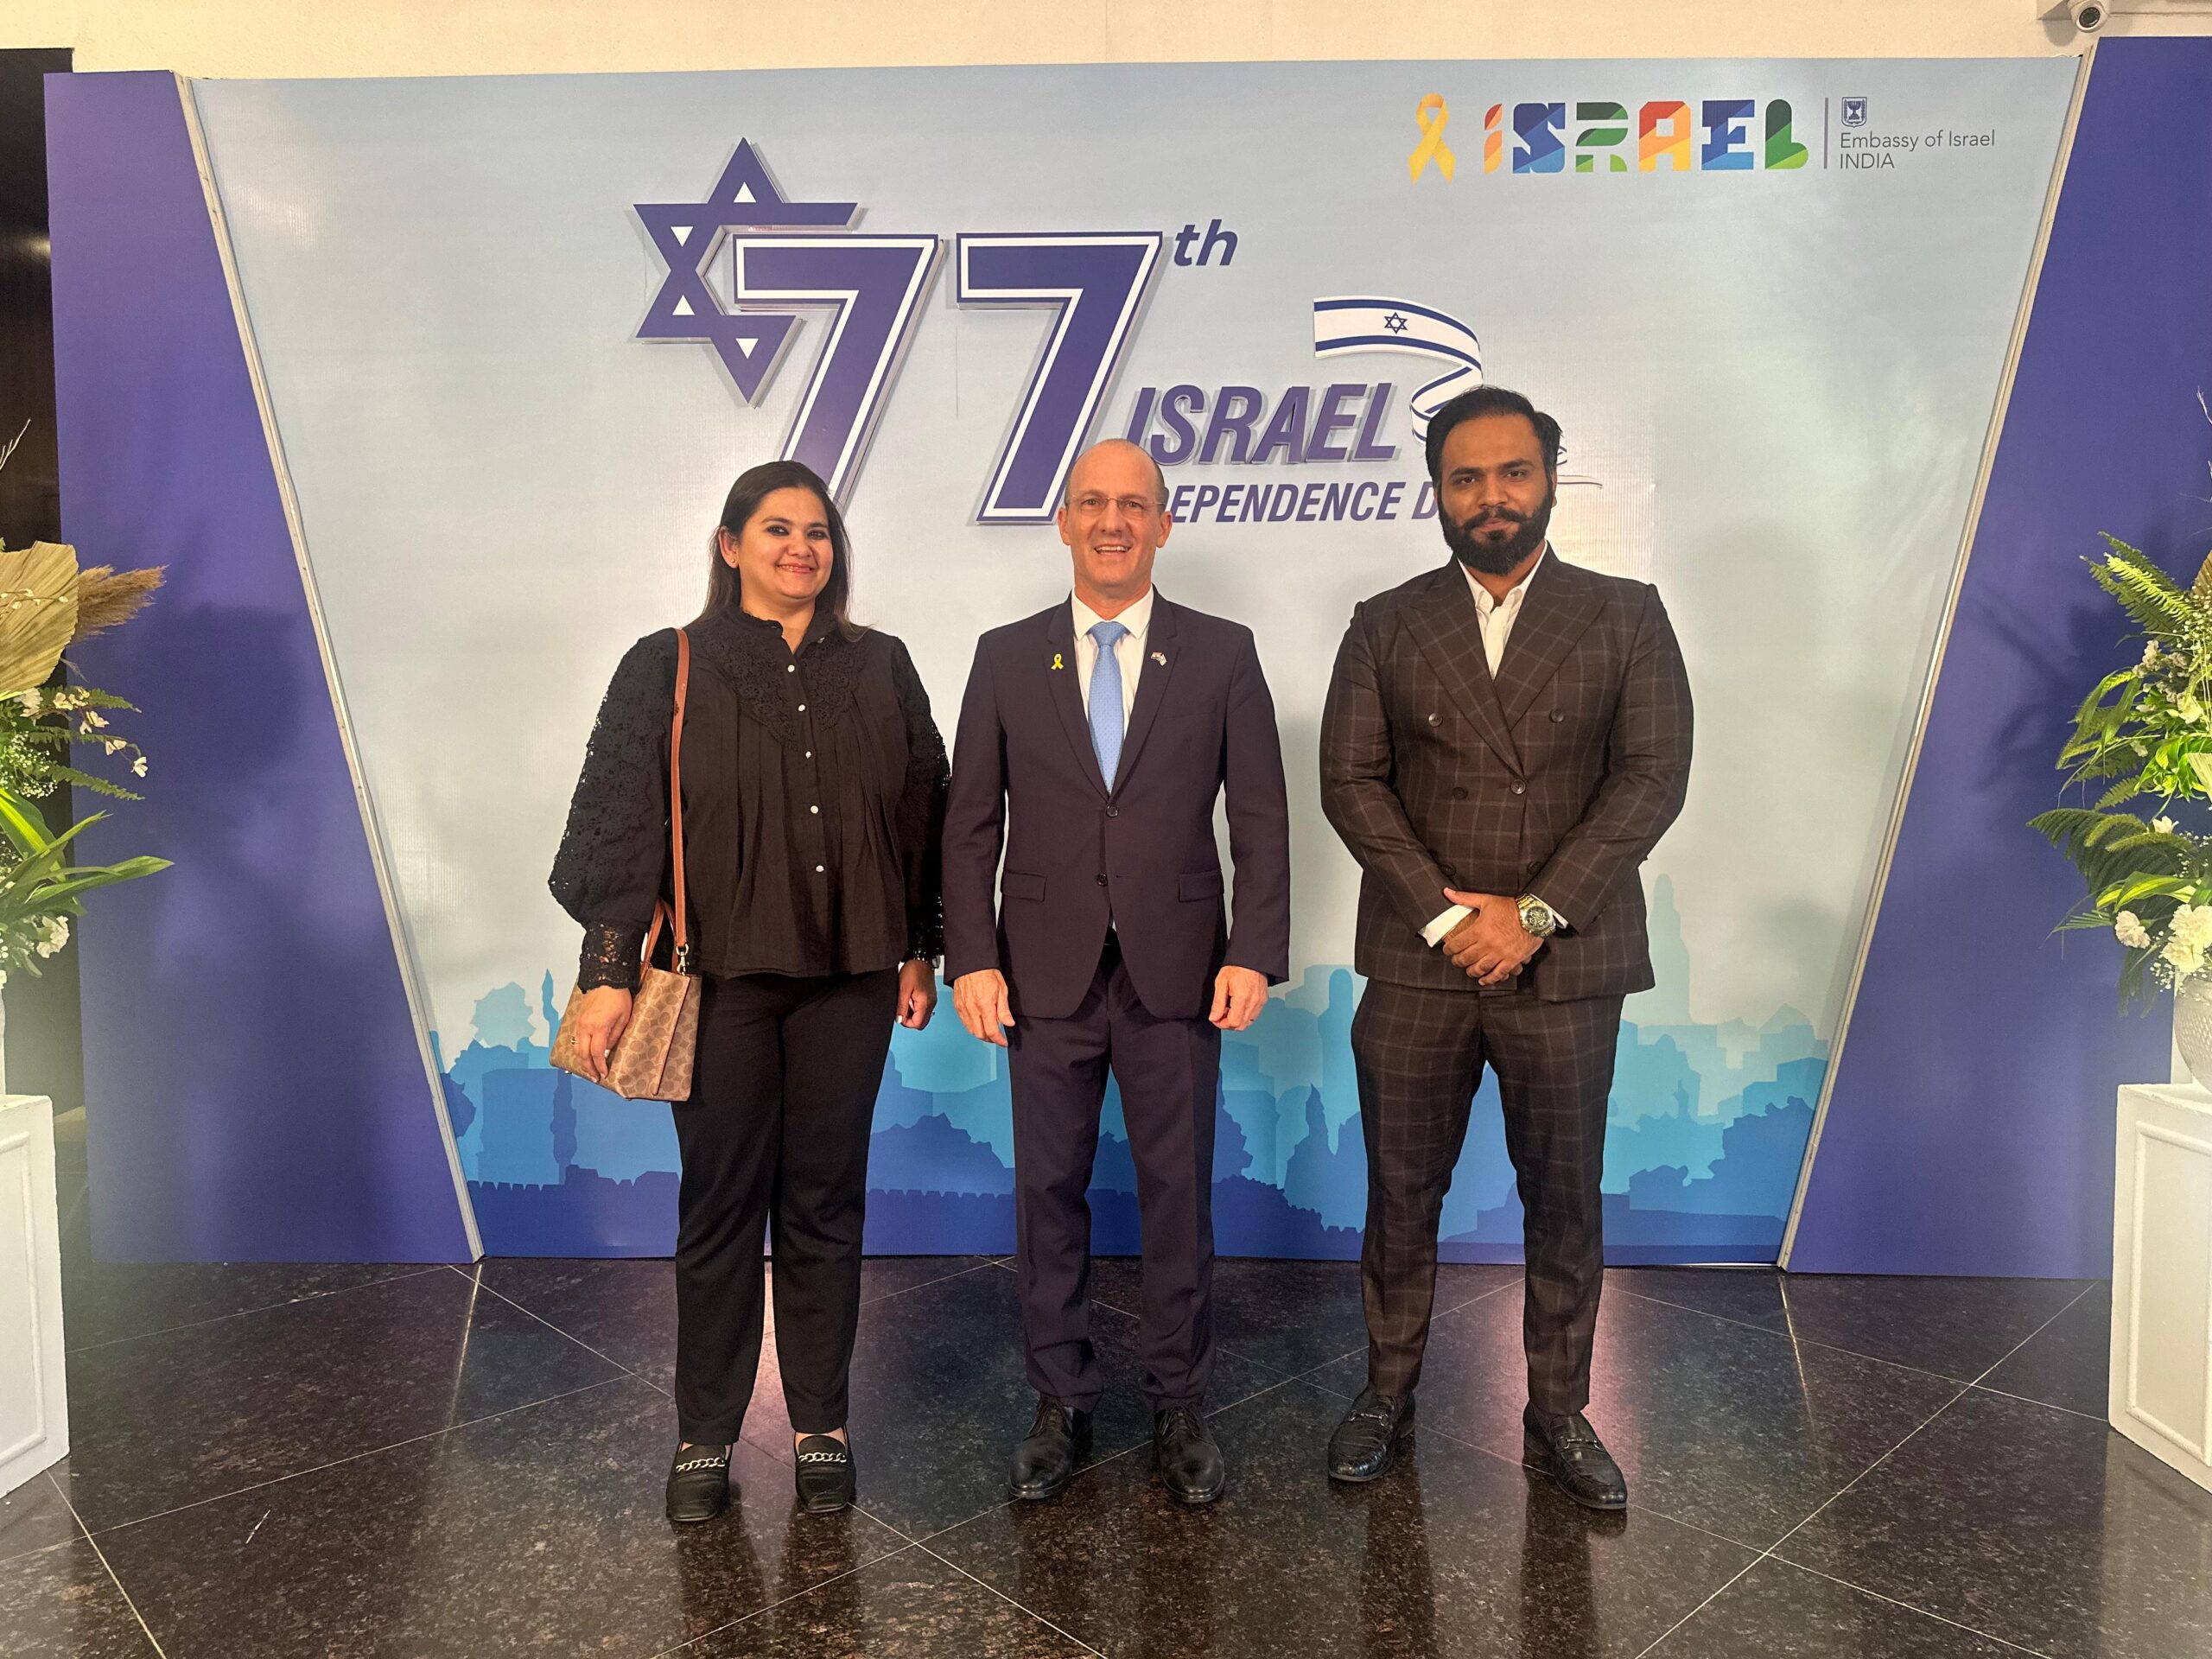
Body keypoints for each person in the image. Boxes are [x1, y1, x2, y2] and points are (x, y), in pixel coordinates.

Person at [550, 459, 949, 1524]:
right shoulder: (666, 663)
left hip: (852, 976)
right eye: (776, 529)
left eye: (817, 532)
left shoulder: (883, 665)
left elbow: (923, 811)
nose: (800, 549)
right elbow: (620, 824)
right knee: (721, 1203)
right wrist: (606, 975)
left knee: (825, 1197)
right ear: (730, 546)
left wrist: (921, 946)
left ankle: (821, 1424)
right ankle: (705, 1433)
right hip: (717, 977)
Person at [1317, 385, 1693, 1509]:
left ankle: (1561, 1409)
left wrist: (1528, 915)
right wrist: (1450, 917)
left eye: (1512, 472)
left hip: (1565, 960)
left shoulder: (1626, 614)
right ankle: (1387, 1390)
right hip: (1419, 957)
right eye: (1466, 477)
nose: (1491, 496)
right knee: (1401, 1192)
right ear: (1439, 492)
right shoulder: (1385, 621)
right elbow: (1350, 780)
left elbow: (1651, 779)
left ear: (1549, 480)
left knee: (1564, 1197)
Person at [942, 438, 1291, 1506]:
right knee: (1045, 1192)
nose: (1111, 521)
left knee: (1177, 1192)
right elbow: (969, 825)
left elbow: (1260, 819)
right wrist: (971, 959)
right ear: (1062, 522)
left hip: (1176, 972)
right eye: (1091, 502)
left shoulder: (1222, 652)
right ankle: (1062, 1401)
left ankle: (1179, 1402)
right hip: (1039, 975)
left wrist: (1253, 950)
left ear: (1163, 524)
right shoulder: (1005, 656)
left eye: (1133, 504)